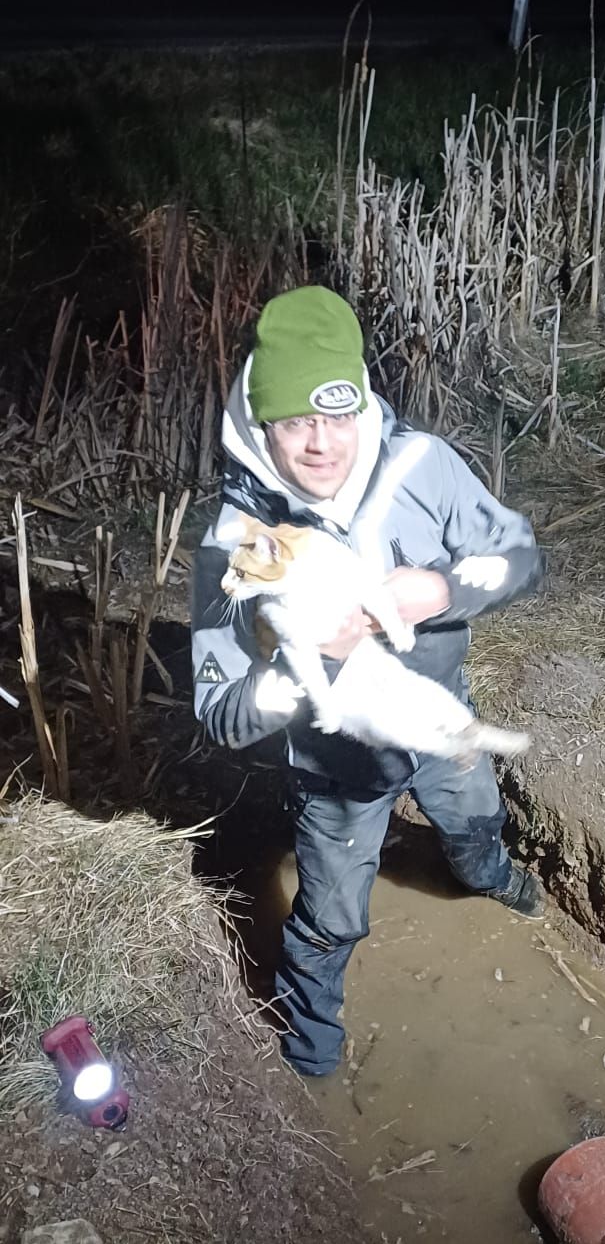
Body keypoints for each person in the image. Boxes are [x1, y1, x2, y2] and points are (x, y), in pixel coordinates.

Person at [191, 286, 546, 1077]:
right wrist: (298, 663)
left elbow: (522, 556)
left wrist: (444, 589)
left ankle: (490, 878)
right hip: (335, 766)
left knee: (476, 817)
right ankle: (311, 1052)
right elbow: (218, 714)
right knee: (331, 917)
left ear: (361, 402)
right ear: (260, 418)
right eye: (294, 422)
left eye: (338, 415)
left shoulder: (424, 466)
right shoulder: (233, 542)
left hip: (436, 713)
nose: (322, 445)